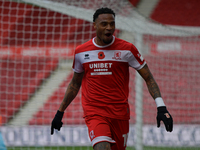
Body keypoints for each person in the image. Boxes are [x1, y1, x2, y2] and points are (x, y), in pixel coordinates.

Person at [51, 7, 173, 150]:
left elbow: (149, 78)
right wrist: (60, 112)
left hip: (119, 114)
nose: (109, 28)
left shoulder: (127, 50)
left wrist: (161, 107)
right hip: (95, 112)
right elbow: (74, 84)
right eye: (104, 24)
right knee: (102, 147)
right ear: (95, 25)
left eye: (112, 24)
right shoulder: (81, 52)